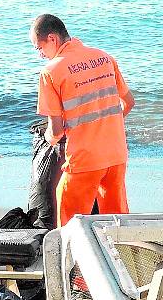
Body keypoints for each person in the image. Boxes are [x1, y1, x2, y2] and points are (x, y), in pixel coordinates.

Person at [31, 14, 134, 226]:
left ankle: (73, 260)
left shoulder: (51, 72)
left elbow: (56, 130)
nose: (40, 55)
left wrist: (47, 141)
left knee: (71, 228)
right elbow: (128, 103)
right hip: (116, 154)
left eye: (38, 48)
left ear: (52, 39)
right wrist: (104, 124)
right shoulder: (104, 57)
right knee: (117, 224)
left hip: (85, 159)